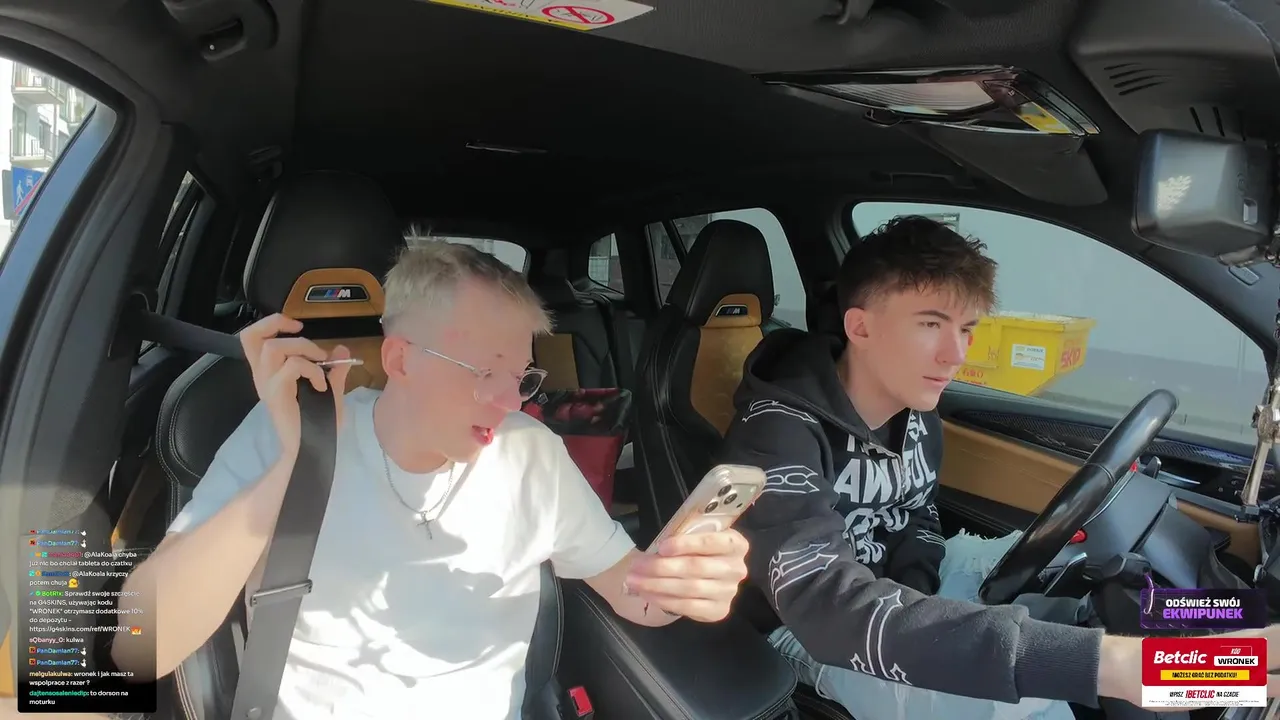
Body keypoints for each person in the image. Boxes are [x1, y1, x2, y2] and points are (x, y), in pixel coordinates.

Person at [110, 242, 751, 719]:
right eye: (485, 372)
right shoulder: (290, 429)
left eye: (521, 378)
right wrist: (296, 468)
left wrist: (684, 586)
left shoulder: (531, 455)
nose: (510, 402)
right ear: (401, 359)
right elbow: (140, 651)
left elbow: (636, 596)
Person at [716, 215, 1278, 719]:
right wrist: (1106, 666)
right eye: (931, 324)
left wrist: (924, 599)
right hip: (805, 632)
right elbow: (827, 606)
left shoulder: (916, 410)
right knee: (1021, 701)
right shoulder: (776, 435)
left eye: (966, 329)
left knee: (1088, 563)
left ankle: (1248, 632)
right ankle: (1187, 668)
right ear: (860, 327)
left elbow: (919, 515)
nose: (955, 355)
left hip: (900, 591)